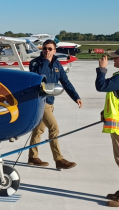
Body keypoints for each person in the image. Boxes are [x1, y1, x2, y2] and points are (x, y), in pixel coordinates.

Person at [28, 39, 83, 169]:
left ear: (54, 50)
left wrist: (76, 97)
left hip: (51, 102)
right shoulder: (35, 63)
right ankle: (58, 159)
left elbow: (65, 82)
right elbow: (39, 75)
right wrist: (46, 61)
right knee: (54, 128)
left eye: (49, 49)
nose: (47, 51)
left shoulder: (57, 64)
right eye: (44, 48)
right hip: (41, 102)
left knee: (38, 130)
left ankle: (33, 157)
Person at [95, 48, 119, 207]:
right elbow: (116, 98)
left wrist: (102, 70)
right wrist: (104, 112)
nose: (113, 60)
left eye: (116, 57)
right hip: (118, 124)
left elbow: (101, 86)